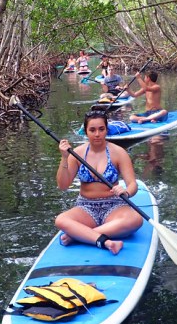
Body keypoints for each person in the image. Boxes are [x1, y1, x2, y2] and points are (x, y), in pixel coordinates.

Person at [55, 109, 143, 255]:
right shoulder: (76, 153)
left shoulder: (118, 152)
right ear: (86, 132)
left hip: (114, 205)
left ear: (106, 130)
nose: (97, 134)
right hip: (85, 206)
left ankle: (80, 236)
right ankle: (106, 242)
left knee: (135, 220)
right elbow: (63, 185)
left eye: (101, 129)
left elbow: (133, 184)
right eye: (92, 130)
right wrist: (64, 158)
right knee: (60, 220)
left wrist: (126, 192)